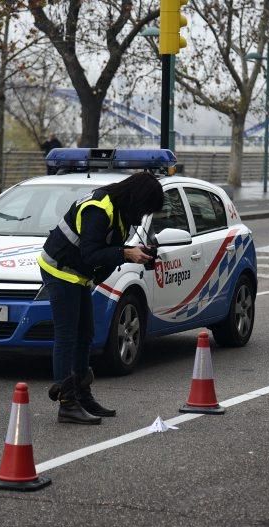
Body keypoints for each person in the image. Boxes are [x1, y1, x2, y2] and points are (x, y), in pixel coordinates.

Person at [37, 172, 164, 424]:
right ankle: (67, 403)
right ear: (137, 199)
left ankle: (83, 396)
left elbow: (106, 251)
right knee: (67, 336)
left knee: (85, 335)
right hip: (60, 271)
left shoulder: (121, 211)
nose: (143, 216)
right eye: (145, 208)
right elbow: (91, 253)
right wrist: (127, 254)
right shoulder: (99, 209)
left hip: (78, 275)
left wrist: (137, 253)